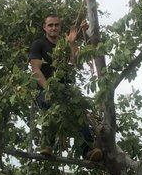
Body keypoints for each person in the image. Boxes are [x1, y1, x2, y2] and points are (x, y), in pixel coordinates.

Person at [29, 14, 102, 161]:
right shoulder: (39, 44)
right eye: (50, 25)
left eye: (56, 25)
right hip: (44, 90)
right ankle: (47, 144)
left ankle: (87, 150)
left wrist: (72, 43)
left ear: (60, 27)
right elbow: (35, 70)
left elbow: (74, 62)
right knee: (52, 105)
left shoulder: (63, 44)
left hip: (65, 88)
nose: (54, 27)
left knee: (78, 110)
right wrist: (48, 90)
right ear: (45, 27)